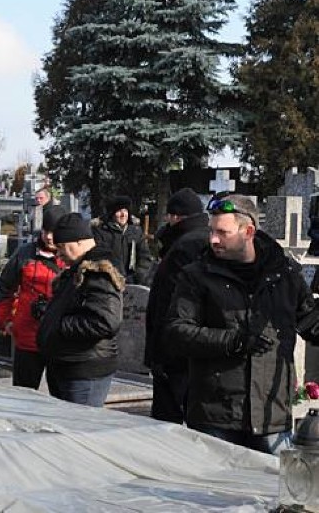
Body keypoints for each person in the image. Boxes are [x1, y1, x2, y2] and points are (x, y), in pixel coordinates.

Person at [165, 194, 319, 454]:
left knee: (274, 490)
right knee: (214, 490)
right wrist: (234, 341)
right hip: (216, 415)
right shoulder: (197, 276)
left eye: (222, 233)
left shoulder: (284, 272)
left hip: (271, 416)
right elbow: (177, 332)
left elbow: (309, 322)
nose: (213, 239)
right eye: (211, 231)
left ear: (248, 231)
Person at [37, 213, 124, 407]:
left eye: (60, 248)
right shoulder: (76, 269)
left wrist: (60, 325)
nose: (58, 255)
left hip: (85, 370)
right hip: (68, 365)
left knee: (78, 430)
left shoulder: (99, 271)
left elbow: (105, 321)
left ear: (77, 241)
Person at [144, 187, 208, 424]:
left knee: (167, 420)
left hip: (175, 349)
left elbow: (168, 302)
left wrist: (159, 351)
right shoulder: (196, 240)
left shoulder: (184, 246)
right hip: (186, 346)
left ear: (176, 217)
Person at [0, 205, 67, 389]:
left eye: (54, 232)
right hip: (27, 336)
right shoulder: (25, 254)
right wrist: (6, 320)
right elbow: (5, 286)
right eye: (45, 231)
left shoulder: (71, 257)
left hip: (59, 338)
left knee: (61, 397)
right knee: (23, 395)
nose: (49, 237)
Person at [92, 195, 152, 285]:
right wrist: (114, 278)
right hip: (109, 283)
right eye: (119, 211)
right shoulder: (101, 232)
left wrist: (138, 277)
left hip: (133, 282)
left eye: (125, 210)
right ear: (112, 213)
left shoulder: (136, 231)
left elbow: (144, 257)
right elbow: (99, 259)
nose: (123, 214)